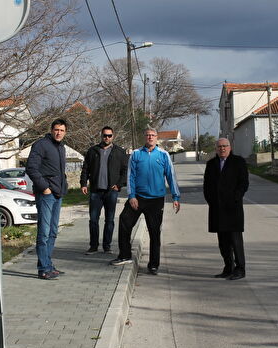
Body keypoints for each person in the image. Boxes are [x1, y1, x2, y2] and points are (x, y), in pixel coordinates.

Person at [110, 127, 180, 274]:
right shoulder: (136, 154)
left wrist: (175, 197)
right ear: (144, 137)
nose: (150, 137)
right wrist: (131, 196)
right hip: (138, 198)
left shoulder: (163, 155)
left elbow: (171, 176)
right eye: (147, 135)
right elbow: (130, 176)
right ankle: (124, 255)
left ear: (157, 137)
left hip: (156, 200)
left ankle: (153, 265)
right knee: (124, 222)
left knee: (154, 232)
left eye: (152, 135)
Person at [26, 118, 69, 280]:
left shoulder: (61, 147)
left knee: (52, 232)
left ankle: (48, 265)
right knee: (44, 233)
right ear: (51, 130)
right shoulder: (41, 145)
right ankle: (43, 268)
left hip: (57, 194)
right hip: (46, 194)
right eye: (56, 130)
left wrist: (62, 186)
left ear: (65, 132)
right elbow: (31, 167)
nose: (59, 133)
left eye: (62, 130)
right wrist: (44, 187)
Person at [202, 137, 249, 281]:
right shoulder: (211, 164)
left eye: (225, 146)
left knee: (235, 241)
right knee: (222, 242)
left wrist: (235, 198)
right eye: (219, 146)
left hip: (233, 209)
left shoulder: (238, 162)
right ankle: (228, 267)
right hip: (217, 209)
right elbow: (207, 185)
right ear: (216, 149)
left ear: (230, 147)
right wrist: (211, 201)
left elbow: (243, 183)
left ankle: (240, 269)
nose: (222, 149)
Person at [80, 126, 129, 254]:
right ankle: (94, 246)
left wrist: (119, 185)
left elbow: (125, 171)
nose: (107, 138)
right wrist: (84, 184)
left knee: (110, 220)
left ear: (113, 136)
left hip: (111, 192)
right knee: (93, 220)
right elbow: (85, 169)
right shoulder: (93, 151)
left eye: (109, 135)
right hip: (96, 191)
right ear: (101, 136)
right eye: (104, 135)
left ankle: (107, 246)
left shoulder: (120, 152)